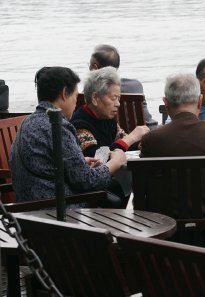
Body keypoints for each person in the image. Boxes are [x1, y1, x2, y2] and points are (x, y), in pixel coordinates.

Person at [10, 67, 127, 203]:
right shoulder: (57, 125)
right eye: (76, 97)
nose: (76, 103)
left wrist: (82, 162)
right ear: (65, 93)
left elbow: (46, 168)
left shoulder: (28, 122)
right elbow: (87, 181)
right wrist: (115, 162)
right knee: (118, 198)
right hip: (57, 212)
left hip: (28, 210)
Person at [71, 67, 149, 206]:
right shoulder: (79, 124)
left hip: (110, 182)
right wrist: (131, 137)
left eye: (118, 98)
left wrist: (140, 143)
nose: (118, 104)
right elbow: (98, 156)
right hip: (92, 191)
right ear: (95, 98)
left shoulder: (107, 118)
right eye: (113, 98)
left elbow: (122, 141)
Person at [88, 44, 158, 128]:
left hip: (110, 137)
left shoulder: (89, 93)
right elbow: (147, 121)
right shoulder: (135, 86)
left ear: (94, 67)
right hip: (141, 135)